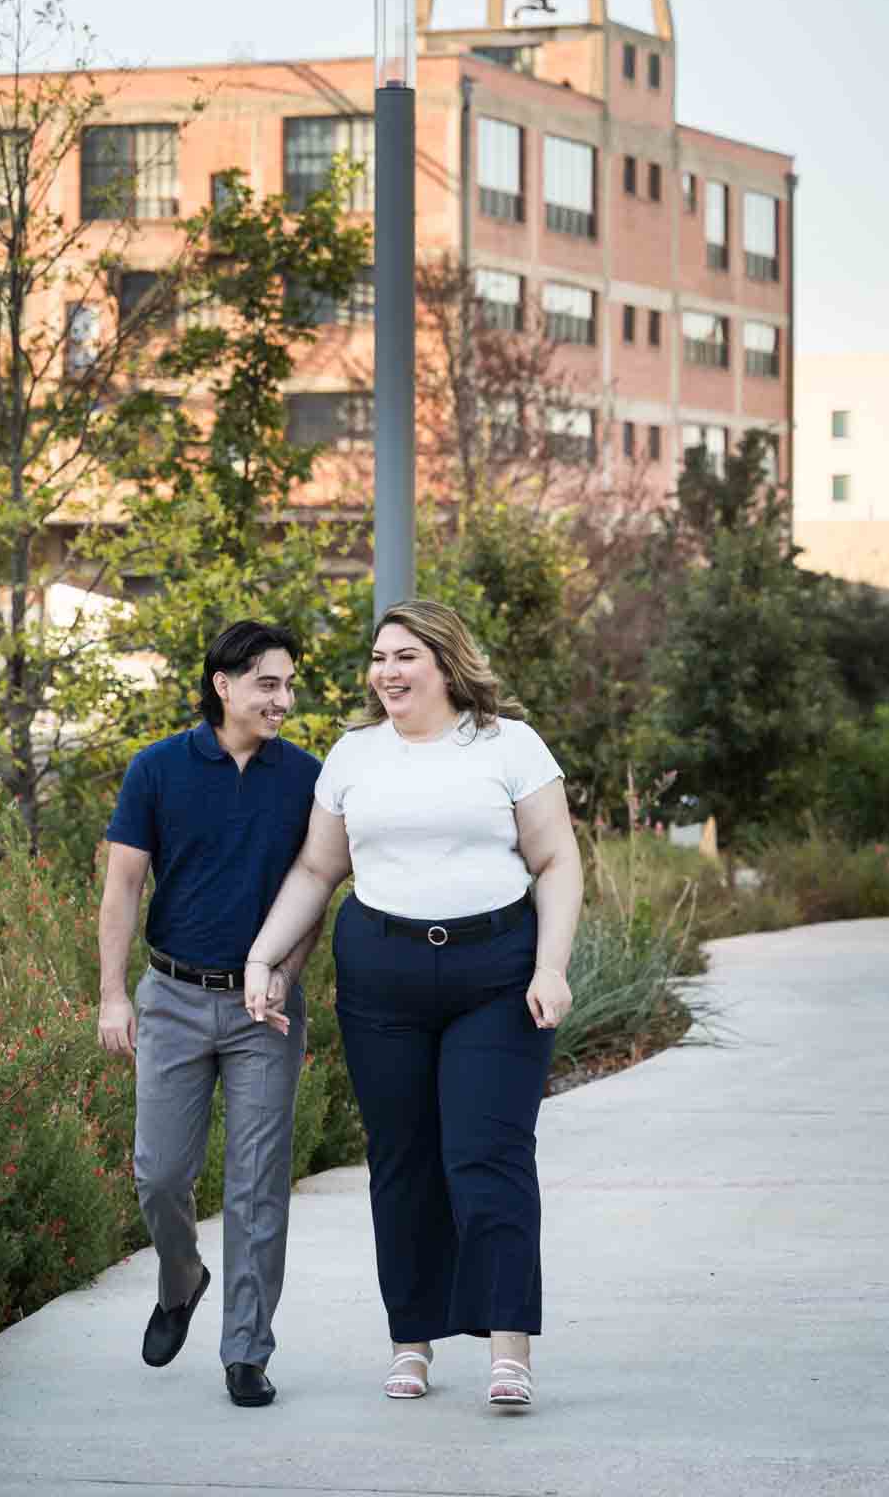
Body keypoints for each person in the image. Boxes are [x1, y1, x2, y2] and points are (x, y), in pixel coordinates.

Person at [244, 598, 582, 1412]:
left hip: (496, 975)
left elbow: (556, 860)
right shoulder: (355, 754)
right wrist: (265, 956)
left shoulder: (508, 744)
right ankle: (412, 1341)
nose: (387, 673)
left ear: (444, 662)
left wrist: (551, 967)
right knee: (402, 1161)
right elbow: (318, 872)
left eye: (404, 657)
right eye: (378, 658)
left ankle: (508, 1349)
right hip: (382, 975)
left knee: (487, 1155)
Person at [98, 619, 322, 1409]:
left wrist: (284, 977)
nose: (283, 699)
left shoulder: (306, 778)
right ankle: (180, 1276)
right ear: (222, 685)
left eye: (289, 684)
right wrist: (113, 994)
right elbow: (122, 884)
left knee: (257, 1187)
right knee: (159, 1174)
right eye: (269, 683)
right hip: (172, 999)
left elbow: (315, 888)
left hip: (265, 1013)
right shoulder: (156, 768)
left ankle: (246, 1352)